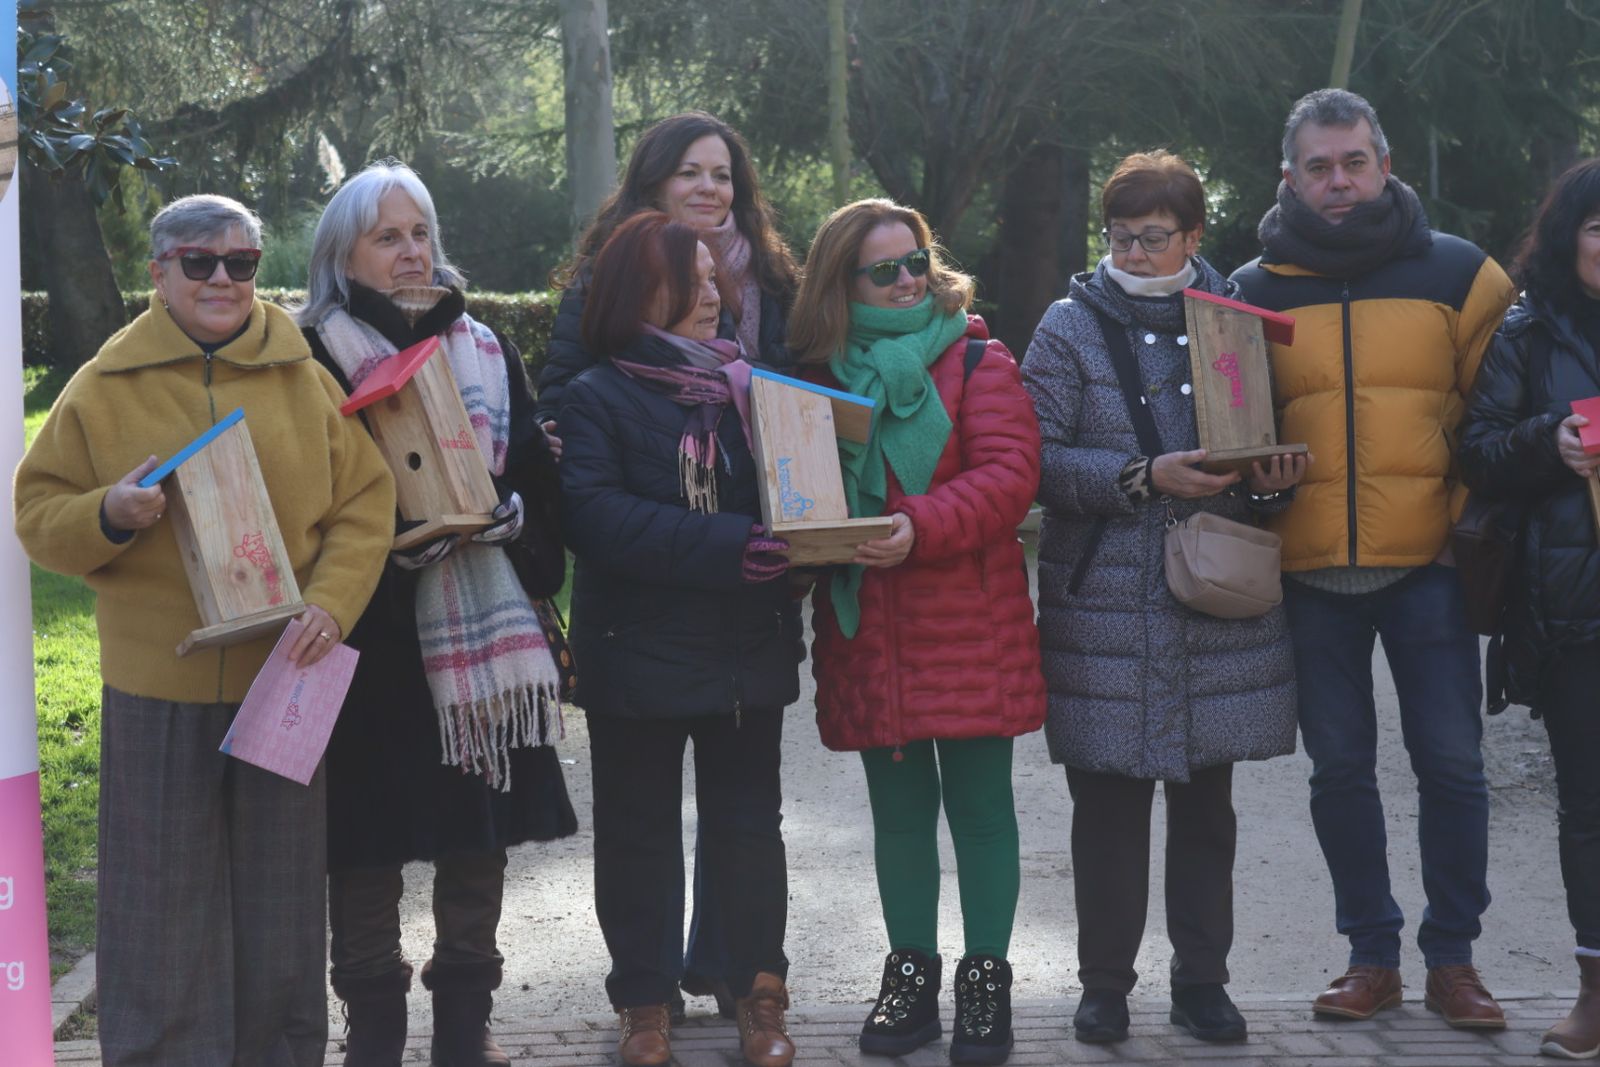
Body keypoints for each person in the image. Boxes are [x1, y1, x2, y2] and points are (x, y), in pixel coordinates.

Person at [14, 194, 395, 1066]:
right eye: (199, 262)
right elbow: (37, 510)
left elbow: (365, 502)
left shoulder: (303, 375)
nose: (223, 279)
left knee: (282, 903)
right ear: (159, 274)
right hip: (156, 687)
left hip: (283, 678)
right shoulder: (105, 381)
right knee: (157, 902)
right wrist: (107, 512)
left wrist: (331, 603)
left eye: (243, 262)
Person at [1231, 88, 1517, 1028]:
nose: (1338, 181)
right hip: (1309, 574)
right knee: (1339, 770)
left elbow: (1500, 419)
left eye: (1354, 161)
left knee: (1454, 765)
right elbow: (1231, 435)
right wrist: (1261, 490)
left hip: (1429, 566)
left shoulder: (1463, 276)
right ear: (1290, 178)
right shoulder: (1250, 291)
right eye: (1318, 166)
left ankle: (1455, 961)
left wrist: (1464, 524)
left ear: (1385, 164)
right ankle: (1371, 954)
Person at [297, 161, 577, 1067]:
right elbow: (300, 497)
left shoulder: (488, 348)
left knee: (477, 832)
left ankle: (466, 1021)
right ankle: (373, 1026)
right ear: (344, 257)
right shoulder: (307, 355)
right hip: (368, 636)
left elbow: (534, 469)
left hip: (479, 635)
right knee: (364, 842)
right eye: (388, 236)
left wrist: (516, 516)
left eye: (421, 232)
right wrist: (381, 553)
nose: (412, 251)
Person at [1021, 151, 1304, 1046]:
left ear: (1192, 236)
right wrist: (1141, 475)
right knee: (1105, 804)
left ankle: (1203, 981)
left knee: (1206, 806)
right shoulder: (1065, 327)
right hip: (1103, 591)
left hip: (1212, 592)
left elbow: (1259, 450)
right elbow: (1033, 460)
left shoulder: (1235, 324)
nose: (1134, 254)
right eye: (1120, 237)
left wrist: (1269, 480)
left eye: (1153, 238)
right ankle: (1103, 984)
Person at [539, 109, 798, 1018]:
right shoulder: (602, 364)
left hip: (741, 632)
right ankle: (646, 997)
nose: (708, 187)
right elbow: (588, 482)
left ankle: (740, 978)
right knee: (641, 825)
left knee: (743, 825)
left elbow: (803, 463)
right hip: (644, 627)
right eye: (688, 171)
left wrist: (798, 540)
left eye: (721, 173)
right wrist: (738, 544)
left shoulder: (762, 321)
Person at [786, 198, 1043, 1066]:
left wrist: (918, 525)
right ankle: (910, 978)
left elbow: (1012, 476)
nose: (908, 280)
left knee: (980, 812)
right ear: (841, 283)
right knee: (897, 819)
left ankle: (985, 983)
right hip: (872, 630)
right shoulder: (815, 374)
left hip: (970, 619)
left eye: (917, 260)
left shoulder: (977, 355)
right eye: (885, 269)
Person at [1457, 158, 1600, 1060]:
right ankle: (1595, 993)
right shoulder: (1529, 332)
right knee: (1589, 807)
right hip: (1574, 610)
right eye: (1598, 229)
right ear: (1567, 239)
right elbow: (1476, 452)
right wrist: (1551, 441)